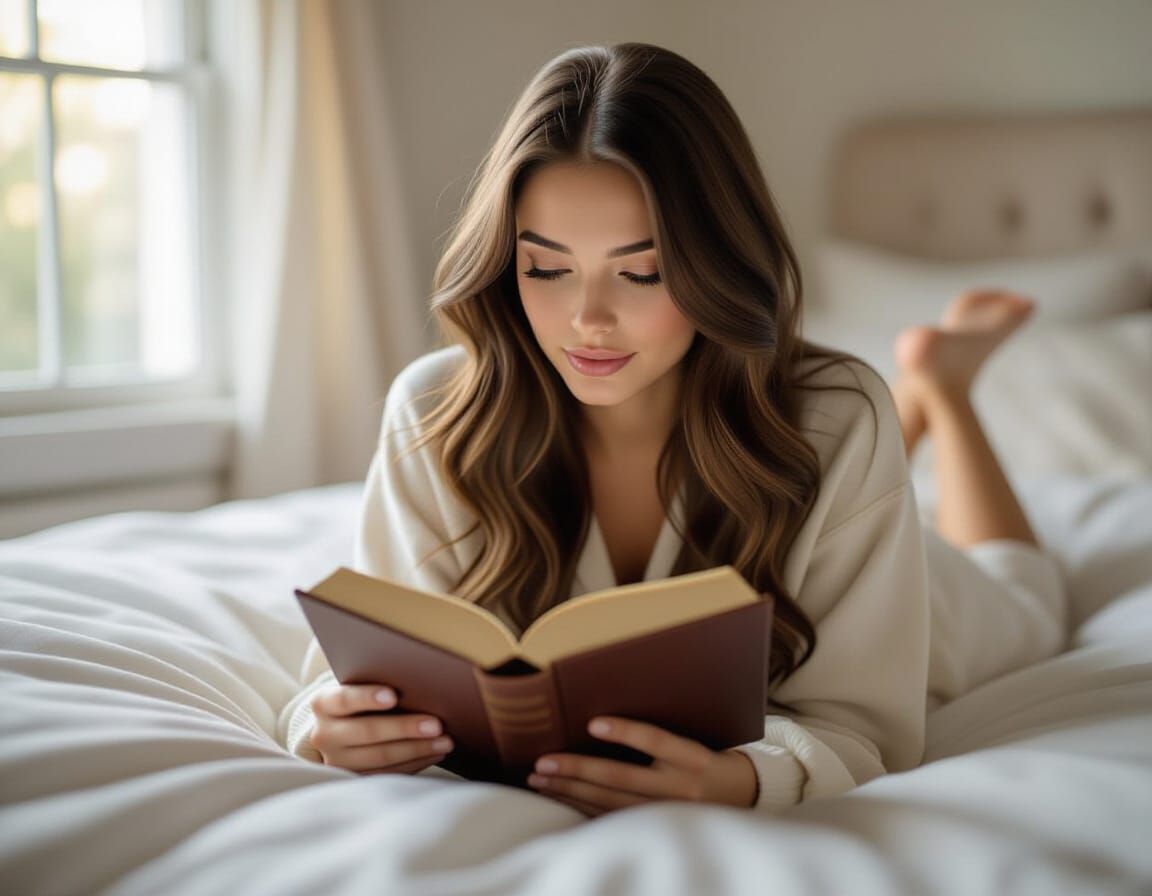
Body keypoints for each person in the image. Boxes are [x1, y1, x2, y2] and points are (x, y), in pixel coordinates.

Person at [276, 42, 1067, 818]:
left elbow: (864, 728)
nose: (587, 320)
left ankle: (941, 387)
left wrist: (737, 782)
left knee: (1031, 601)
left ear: (713, 261)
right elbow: (350, 673)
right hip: (833, 472)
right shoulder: (438, 412)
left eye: (641, 272)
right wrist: (337, 726)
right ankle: (922, 402)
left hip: (916, 586)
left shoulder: (842, 416)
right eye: (546, 268)